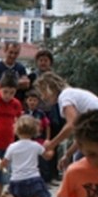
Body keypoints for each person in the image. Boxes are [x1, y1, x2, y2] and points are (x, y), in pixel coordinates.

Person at [34, 72, 98, 169]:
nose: (43, 97)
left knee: (79, 167)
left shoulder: (65, 97)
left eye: (42, 92)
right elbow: (81, 135)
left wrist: (52, 144)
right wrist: (68, 155)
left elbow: (71, 125)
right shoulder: (72, 94)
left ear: (49, 88)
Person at [0, 115, 51, 197]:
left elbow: (4, 163)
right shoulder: (36, 146)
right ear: (35, 130)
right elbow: (47, 156)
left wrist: (0, 166)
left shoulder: (12, 147)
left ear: (16, 129)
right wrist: (49, 149)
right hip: (34, 178)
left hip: (17, 178)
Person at [28, 49, 62, 182]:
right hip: (37, 114)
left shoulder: (55, 77)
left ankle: (53, 174)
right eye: (41, 60)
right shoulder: (32, 77)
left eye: (46, 60)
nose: (43, 63)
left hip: (52, 112)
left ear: (50, 62)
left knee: (53, 142)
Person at [23, 89, 52, 182]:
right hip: (27, 141)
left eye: (35, 100)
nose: (32, 102)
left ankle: (44, 180)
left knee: (42, 161)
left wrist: (47, 139)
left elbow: (47, 125)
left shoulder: (41, 113)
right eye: (30, 100)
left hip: (39, 140)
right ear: (26, 101)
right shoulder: (23, 114)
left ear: (38, 102)